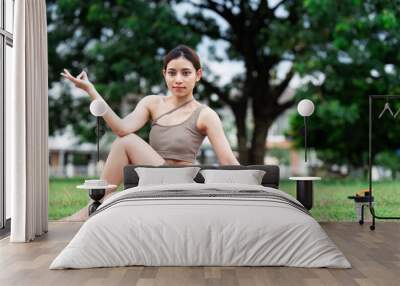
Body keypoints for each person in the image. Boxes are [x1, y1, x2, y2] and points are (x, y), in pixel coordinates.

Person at [61, 45, 240, 220]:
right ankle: (84, 213)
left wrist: (258, 184)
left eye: (186, 73)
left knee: (127, 141)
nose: (178, 79)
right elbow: (121, 128)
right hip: (151, 179)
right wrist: (91, 90)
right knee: (109, 199)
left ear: (198, 75)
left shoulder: (206, 114)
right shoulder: (152, 103)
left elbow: (228, 161)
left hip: (182, 183)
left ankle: (74, 221)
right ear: (164, 74)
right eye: (172, 73)